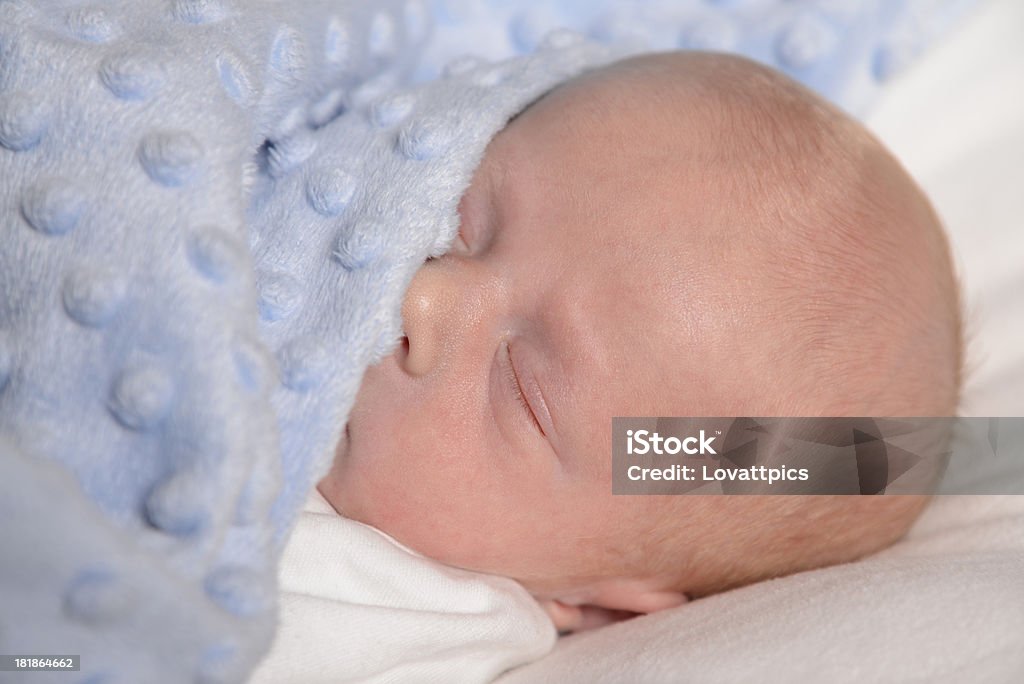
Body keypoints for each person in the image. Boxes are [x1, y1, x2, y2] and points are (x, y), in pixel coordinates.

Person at [316, 50, 962, 634]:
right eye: (464, 221)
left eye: (521, 390)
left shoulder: (396, 618)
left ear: (591, 604)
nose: (424, 296)